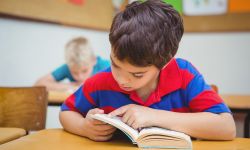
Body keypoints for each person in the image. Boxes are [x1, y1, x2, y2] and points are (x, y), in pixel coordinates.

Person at [59, 0, 236, 142]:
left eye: (137, 74)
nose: (121, 80)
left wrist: (153, 116)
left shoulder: (184, 74)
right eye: (115, 65)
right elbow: (66, 112)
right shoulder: (102, 81)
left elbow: (227, 128)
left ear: (164, 63)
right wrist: (84, 127)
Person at [34, 37, 110, 91]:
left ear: (94, 60)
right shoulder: (69, 66)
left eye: (84, 71)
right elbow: (39, 84)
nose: (80, 77)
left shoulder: (106, 66)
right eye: (74, 73)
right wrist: (70, 86)